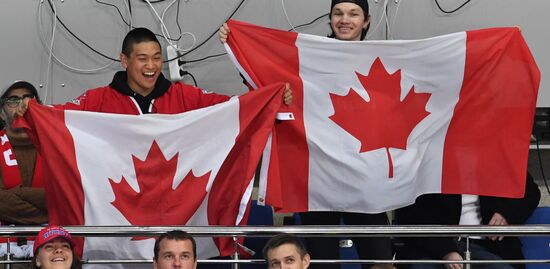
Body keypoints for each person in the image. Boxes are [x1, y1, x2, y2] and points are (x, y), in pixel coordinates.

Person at [219, 1, 392, 269]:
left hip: (367, 174)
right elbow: (267, 72)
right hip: (319, 175)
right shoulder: (309, 54)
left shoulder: (386, 58)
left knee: (381, 261)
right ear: (330, 18)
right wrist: (237, 43)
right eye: (338, 13)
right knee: (321, 262)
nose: (344, 20)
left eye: (353, 14)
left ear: (366, 21)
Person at [18, 27, 291, 116]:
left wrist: (269, 96)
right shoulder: (97, 101)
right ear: (124, 61)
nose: (151, 66)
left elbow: (233, 109)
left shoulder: (185, 97)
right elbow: (59, 118)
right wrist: (30, 111)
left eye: (157, 58)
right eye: (142, 59)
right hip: (119, 198)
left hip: (173, 201)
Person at [395, 172, 541, 269]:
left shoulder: (495, 153)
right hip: (434, 247)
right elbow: (409, 212)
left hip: (489, 246)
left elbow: (531, 193)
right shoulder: (429, 155)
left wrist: (506, 214)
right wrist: (445, 251)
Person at [0, 81, 47, 262]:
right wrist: (44, 207)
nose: (22, 105)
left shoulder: (58, 147)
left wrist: (16, 194)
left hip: (48, 253)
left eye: (29, 98)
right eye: (13, 100)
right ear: (2, 113)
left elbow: (63, 198)